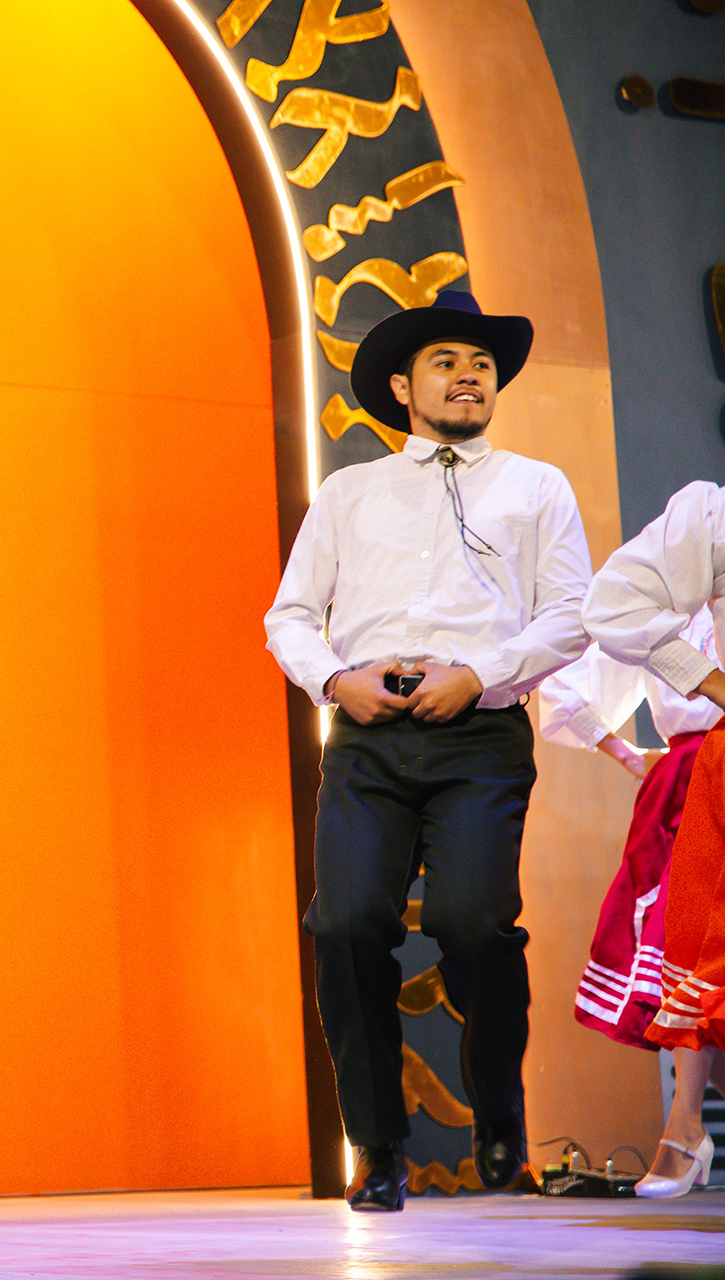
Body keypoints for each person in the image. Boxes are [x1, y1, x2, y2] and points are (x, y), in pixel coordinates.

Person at [264, 290, 592, 1211]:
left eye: (481, 364)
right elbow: (290, 615)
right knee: (345, 924)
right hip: (369, 732)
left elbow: (573, 614)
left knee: (472, 922)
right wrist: (336, 681)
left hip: (479, 732)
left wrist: (480, 674)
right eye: (447, 362)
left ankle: (499, 1107)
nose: (469, 375)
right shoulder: (350, 491)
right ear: (404, 387)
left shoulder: (536, 486)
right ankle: (377, 1148)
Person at [582, 481, 725, 1198]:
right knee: (695, 944)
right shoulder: (707, 520)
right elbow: (606, 620)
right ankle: (683, 1123)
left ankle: (685, 1127)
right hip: (699, 767)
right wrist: (707, 682)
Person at [537, 614, 718, 1051]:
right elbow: (566, 691)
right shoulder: (663, 610)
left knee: (698, 936)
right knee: (689, 936)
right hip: (694, 776)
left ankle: (693, 1098)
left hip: (697, 772)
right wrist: (626, 754)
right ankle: (688, 1098)